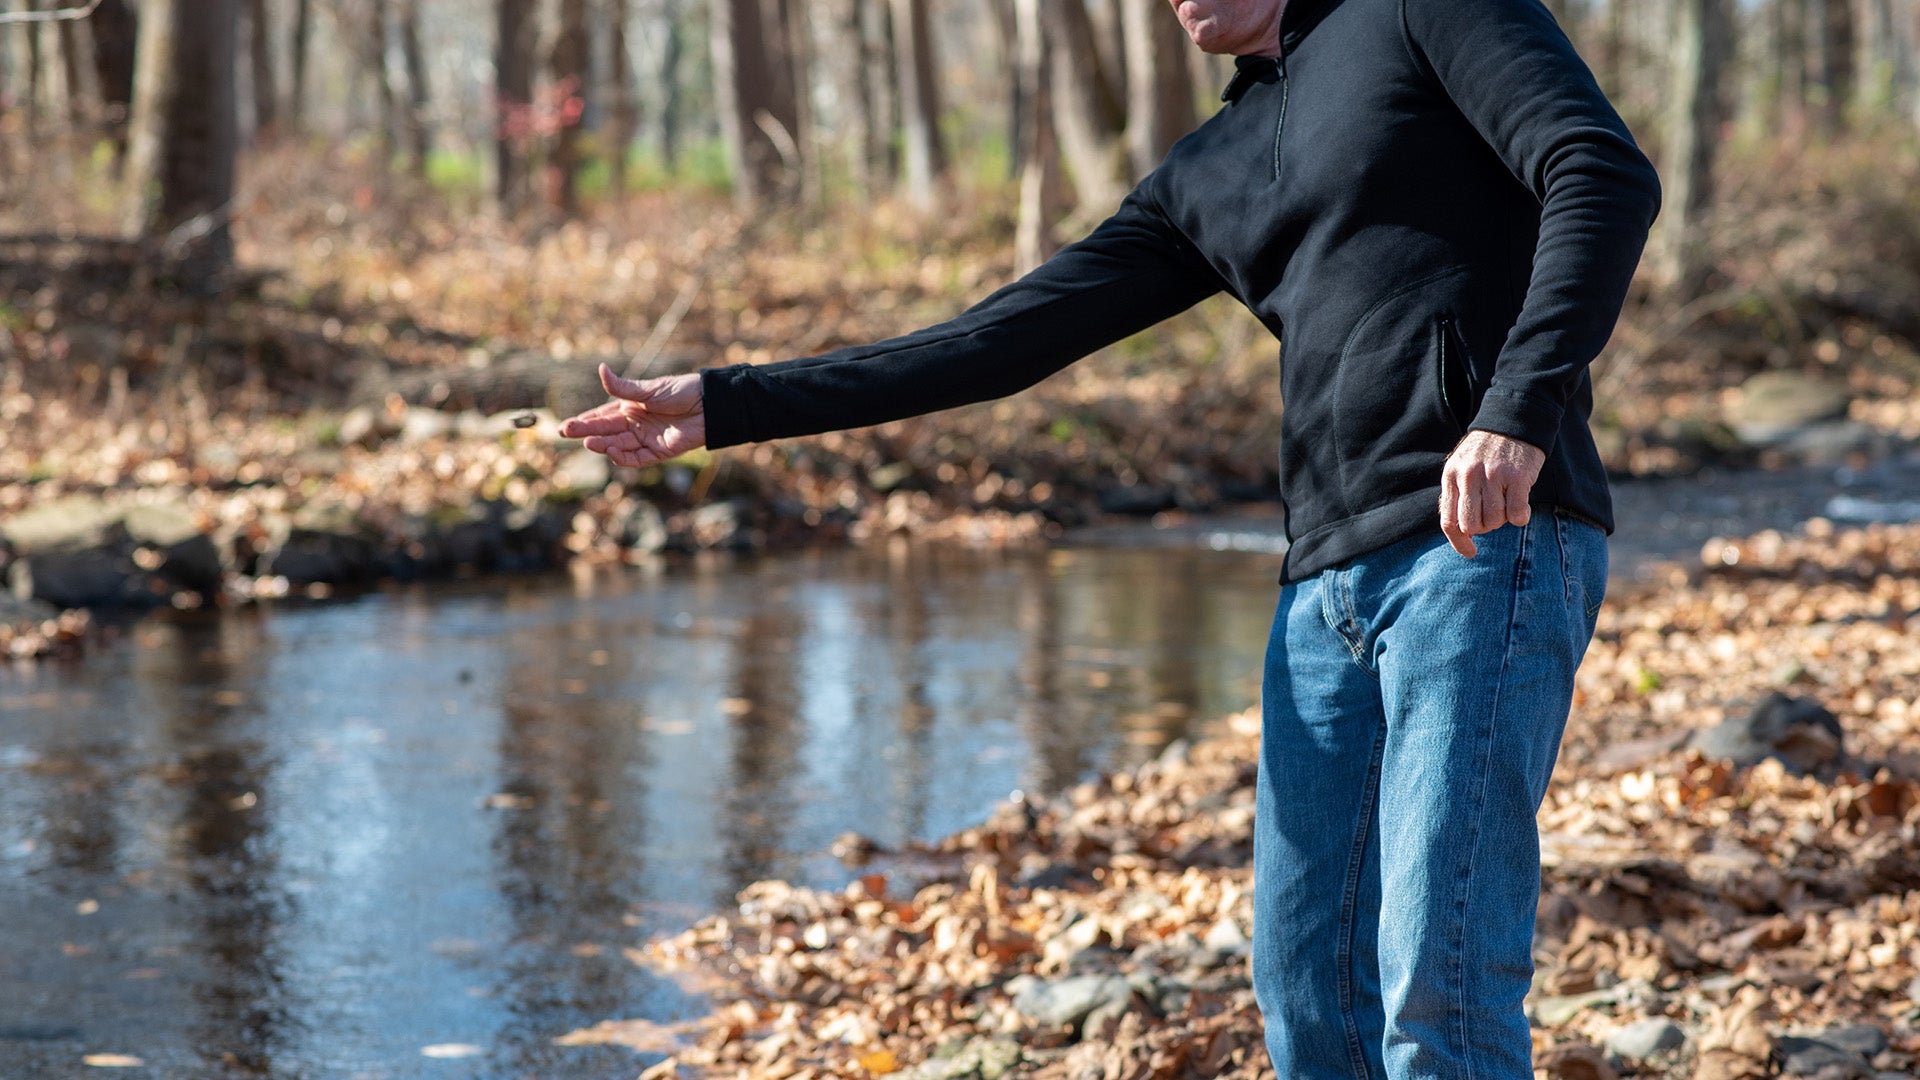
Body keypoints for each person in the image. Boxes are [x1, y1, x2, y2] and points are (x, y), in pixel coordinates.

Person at [561, 0, 1661, 1075]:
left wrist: (1517, 411)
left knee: (1441, 983)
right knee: (1306, 992)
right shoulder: (1211, 166)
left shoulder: (1422, 12)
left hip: (1481, 544)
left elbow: (1601, 171)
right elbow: (1003, 339)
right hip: (1322, 585)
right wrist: (732, 404)